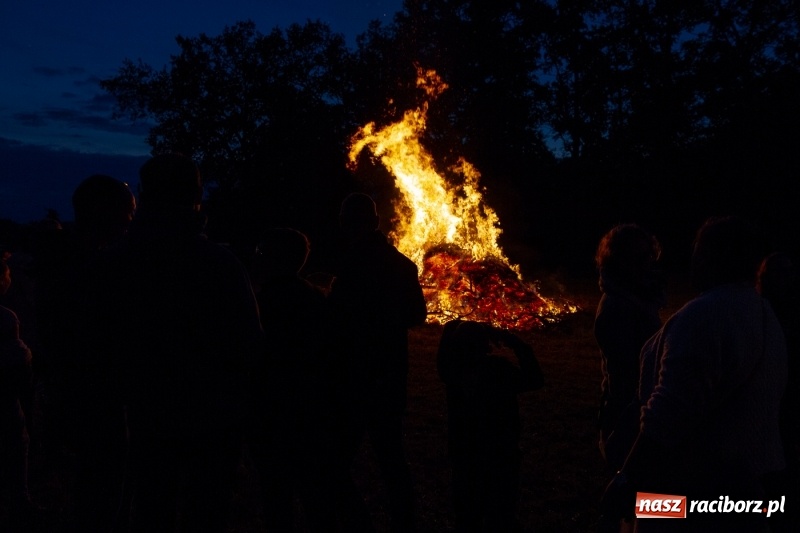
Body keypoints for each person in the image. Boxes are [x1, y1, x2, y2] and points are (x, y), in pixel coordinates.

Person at [80, 153, 264, 533]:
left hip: (140, 419)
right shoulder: (219, 264)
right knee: (205, 514)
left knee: (151, 512)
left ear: (146, 195)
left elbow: (90, 349)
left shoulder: (110, 265)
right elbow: (249, 346)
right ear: (196, 195)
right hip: (209, 421)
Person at [601, 216, 787, 532]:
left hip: (692, 491)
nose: (692, 259)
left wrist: (627, 481)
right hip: (742, 493)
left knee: (649, 517)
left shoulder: (703, 317)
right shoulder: (762, 312)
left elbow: (667, 416)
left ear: (713, 256)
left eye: (698, 249)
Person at [327, 192, 428, 532]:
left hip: (353, 375)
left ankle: (359, 523)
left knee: (336, 460)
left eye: (347, 221)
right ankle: (404, 522)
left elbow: (335, 319)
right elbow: (417, 314)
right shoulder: (401, 263)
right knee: (391, 457)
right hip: (388, 372)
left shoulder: (350, 264)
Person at [247, 227, 339, 531]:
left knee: (277, 492)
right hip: (310, 410)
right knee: (313, 491)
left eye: (263, 253)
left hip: (273, 411)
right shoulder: (316, 298)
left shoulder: (262, 302)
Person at [437, 319, 544, 533]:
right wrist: (514, 342)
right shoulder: (499, 371)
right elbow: (534, 379)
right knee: (501, 514)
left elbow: (443, 353)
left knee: (467, 516)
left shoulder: (451, 373)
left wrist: (453, 329)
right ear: (486, 345)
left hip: (464, 454)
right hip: (501, 454)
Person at [594, 224, 665, 475]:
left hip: (642, 405)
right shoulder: (618, 308)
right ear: (622, 260)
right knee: (641, 495)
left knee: (653, 491)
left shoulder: (635, 297)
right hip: (629, 413)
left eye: (650, 256)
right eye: (641, 257)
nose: (649, 264)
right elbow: (623, 375)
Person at [0, 257, 36, 529]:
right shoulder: (6, 317)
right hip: (5, 397)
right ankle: (20, 503)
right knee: (16, 445)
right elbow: (16, 361)